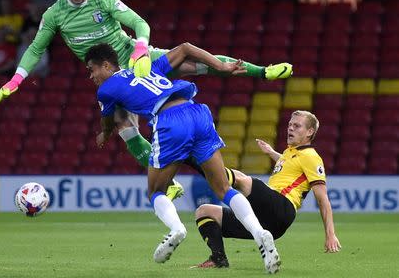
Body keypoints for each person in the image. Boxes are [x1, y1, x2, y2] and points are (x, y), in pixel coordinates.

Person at [0, 0, 292, 199]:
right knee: (125, 127)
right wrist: (15, 80)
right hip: (113, 79)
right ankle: (168, 185)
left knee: (192, 62)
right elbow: (35, 48)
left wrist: (139, 49)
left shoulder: (103, 0)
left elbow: (138, 23)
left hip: (139, 62)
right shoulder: (55, 15)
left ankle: (262, 71)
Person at [86, 42, 281, 274]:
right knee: (223, 188)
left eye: (92, 69)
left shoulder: (106, 89)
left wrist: (104, 134)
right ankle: (260, 234)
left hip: (170, 120)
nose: (91, 76)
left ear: (106, 65)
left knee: (156, 191)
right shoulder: (147, 67)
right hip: (197, 113)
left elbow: (108, 120)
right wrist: (221, 65)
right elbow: (187, 48)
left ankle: (177, 228)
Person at [193, 110, 341, 269]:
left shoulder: (311, 156)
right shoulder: (291, 153)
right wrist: (271, 152)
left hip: (282, 206)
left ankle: (198, 160)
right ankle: (218, 259)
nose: (290, 128)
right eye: (290, 125)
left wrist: (330, 234)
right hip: (269, 222)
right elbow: (289, 164)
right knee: (205, 212)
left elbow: (322, 198)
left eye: (297, 126)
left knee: (243, 181)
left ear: (310, 132)